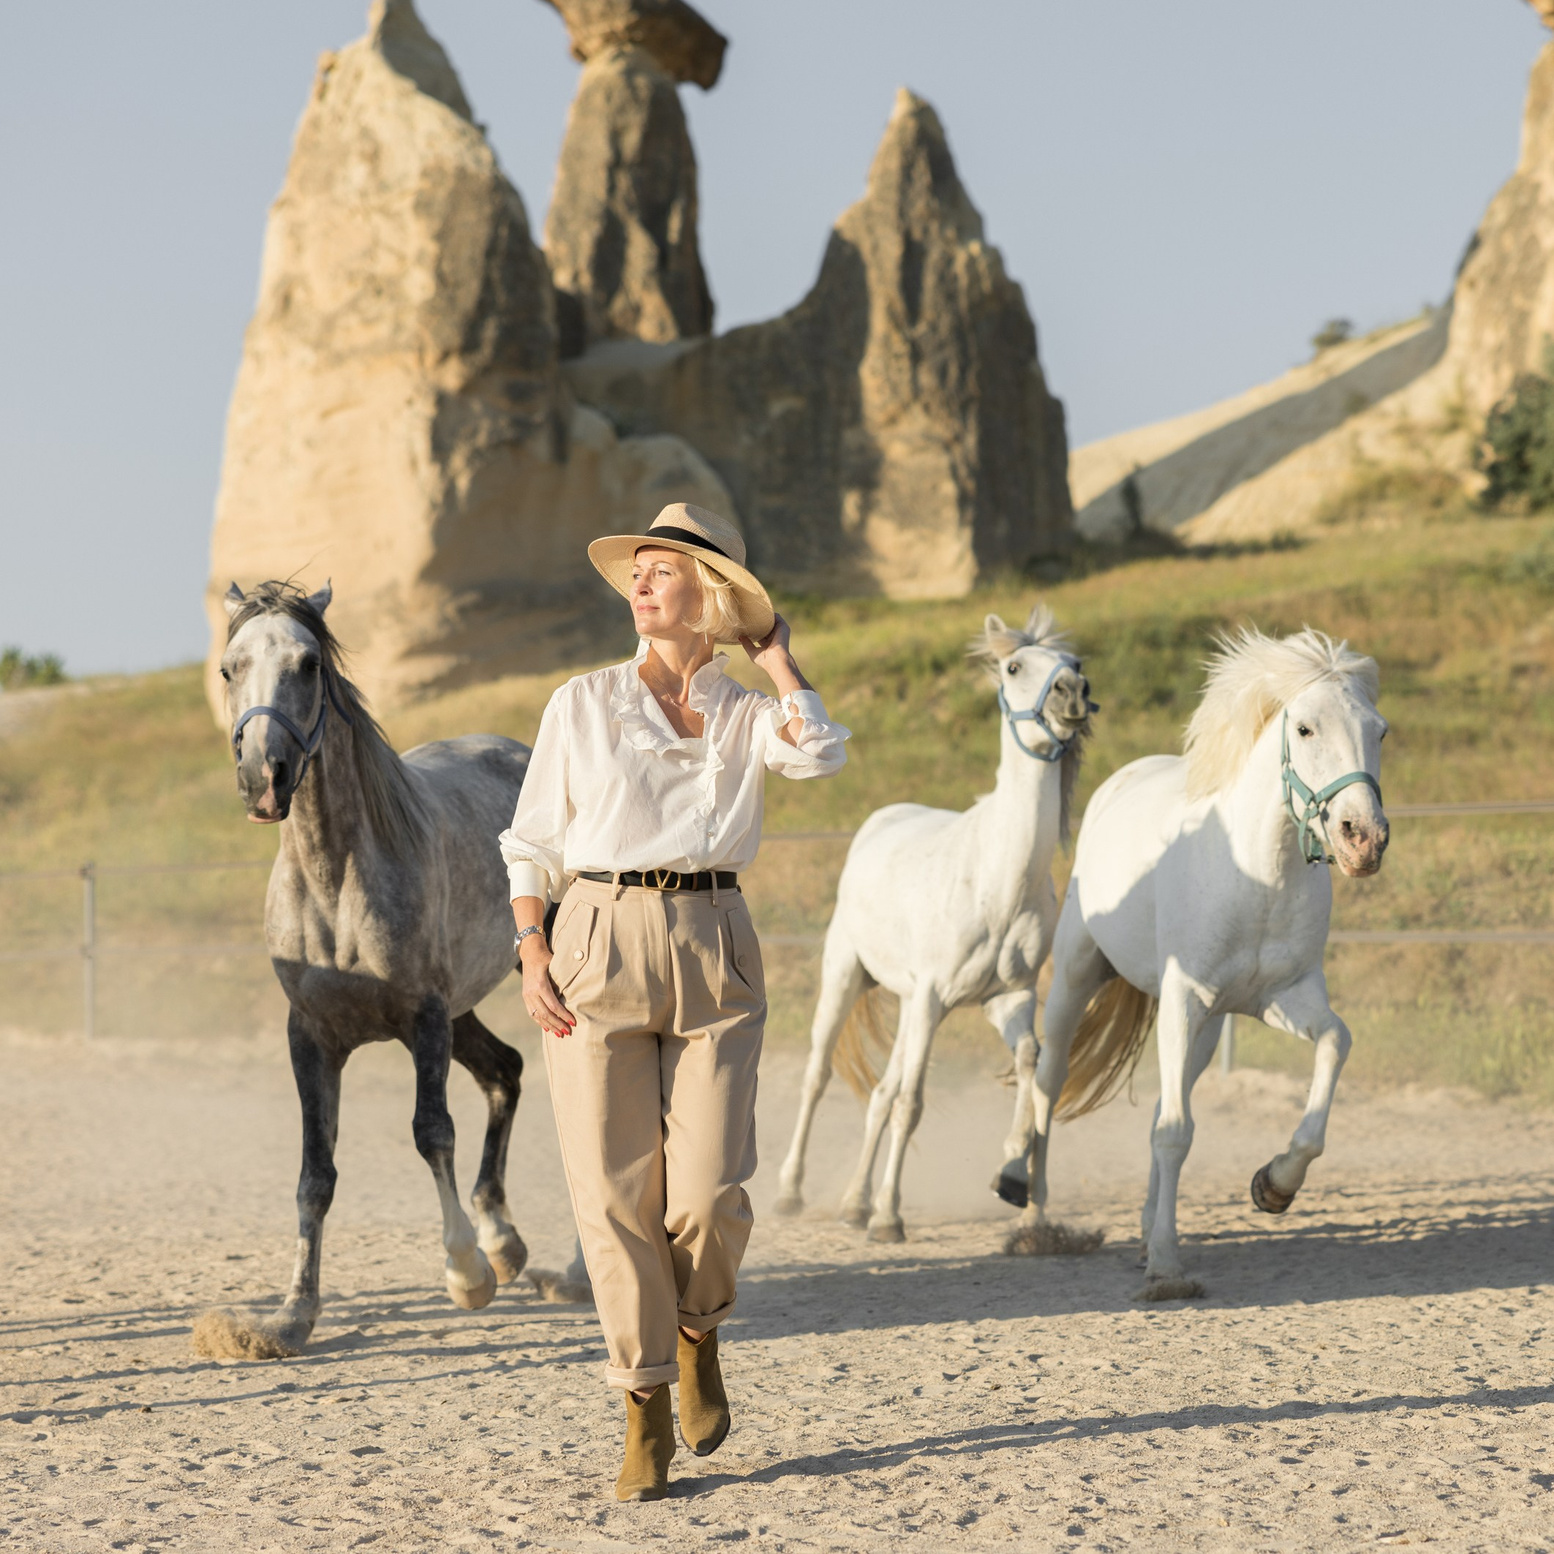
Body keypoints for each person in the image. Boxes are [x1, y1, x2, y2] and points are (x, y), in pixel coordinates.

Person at [497, 502, 849, 1501]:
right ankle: (643, 1404)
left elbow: (821, 755)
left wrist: (780, 660)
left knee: (705, 1189)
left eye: (665, 570)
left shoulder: (746, 714)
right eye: (638, 571)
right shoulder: (581, 702)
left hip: (715, 943)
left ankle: (698, 1332)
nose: (642, 583)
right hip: (594, 938)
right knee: (614, 1197)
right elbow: (531, 842)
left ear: (714, 597)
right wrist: (531, 947)